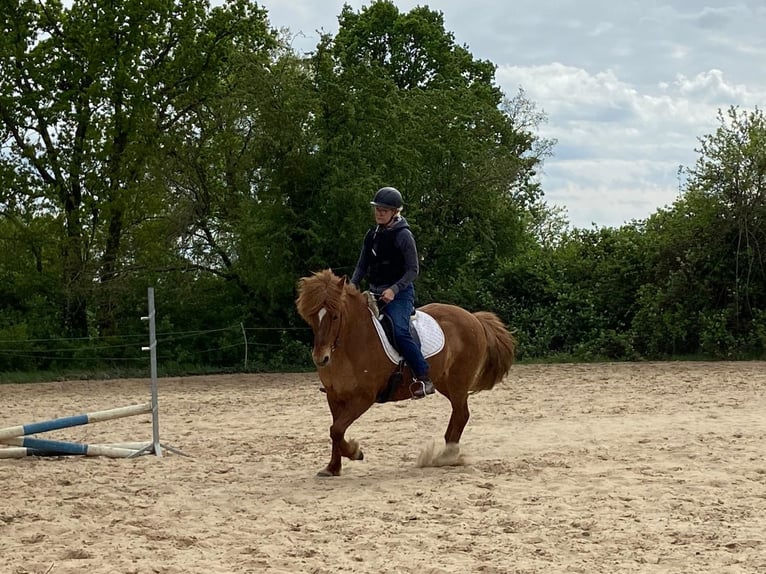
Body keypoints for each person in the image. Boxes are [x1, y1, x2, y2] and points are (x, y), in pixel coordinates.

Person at [351, 186, 435, 399]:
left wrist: (394, 289)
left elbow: (413, 270)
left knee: (399, 331)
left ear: (395, 212)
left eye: (384, 210)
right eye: (377, 209)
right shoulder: (371, 235)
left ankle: (423, 376)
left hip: (400, 294)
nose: (379, 212)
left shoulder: (404, 235)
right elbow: (362, 266)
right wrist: (351, 287)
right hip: (374, 293)